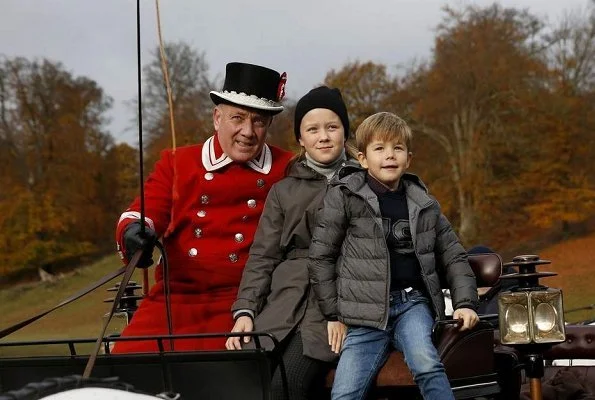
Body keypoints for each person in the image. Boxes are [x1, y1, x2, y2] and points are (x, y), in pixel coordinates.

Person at [114, 62, 294, 353]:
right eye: (237, 118)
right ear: (217, 118)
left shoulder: (287, 168)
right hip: (176, 298)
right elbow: (145, 210)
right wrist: (135, 231)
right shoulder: (178, 162)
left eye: (259, 121)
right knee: (126, 368)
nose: (248, 131)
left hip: (248, 302)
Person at [307, 112, 480, 400]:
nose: (389, 156)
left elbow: (454, 256)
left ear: (408, 159)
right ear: (362, 159)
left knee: (426, 363)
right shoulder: (344, 197)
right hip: (364, 316)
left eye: (397, 148)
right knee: (344, 393)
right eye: (379, 149)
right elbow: (321, 257)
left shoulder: (424, 203)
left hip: (412, 305)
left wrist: (465, 303)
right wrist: (334, 313)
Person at [225, 86, 351, 399]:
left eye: (332, 127)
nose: (323, 136)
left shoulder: (363, 183)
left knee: (287, 385)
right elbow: (263, 256)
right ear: (301, 139)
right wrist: (245, 311)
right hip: (283, 303)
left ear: (346, 133)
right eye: (313, 129)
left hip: (334, 305)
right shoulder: (283, 191)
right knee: (241, 382)